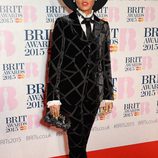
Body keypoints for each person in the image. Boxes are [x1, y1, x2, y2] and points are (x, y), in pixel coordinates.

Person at [46, 0, 114, 157]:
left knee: (82, 142)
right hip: (69, 93)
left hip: (94, 95)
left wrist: (108, 95)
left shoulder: (103, 26)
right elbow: (56, 61)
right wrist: (53, 98)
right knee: (76, 143)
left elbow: (105, 61)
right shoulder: (63, 23)